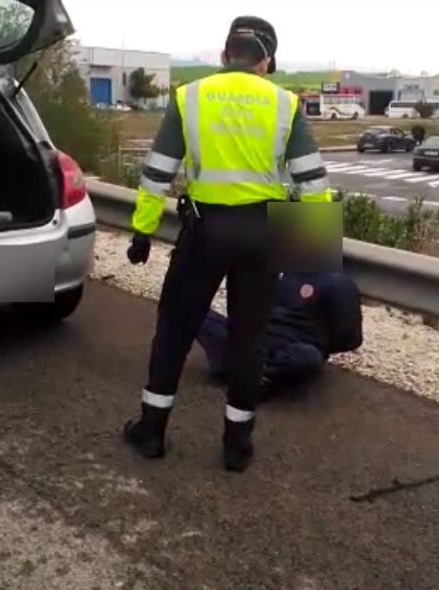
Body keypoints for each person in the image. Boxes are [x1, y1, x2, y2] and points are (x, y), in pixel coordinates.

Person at [122, 16, 334, 472]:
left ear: (223, 56)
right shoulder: (285, 104)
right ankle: (237, 446)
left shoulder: (190, 97)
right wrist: (310, 256)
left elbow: (157, 171)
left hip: (204, 233)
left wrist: (143, 229)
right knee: (250, 340)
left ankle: (152, 432)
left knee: (175, 330)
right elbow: (314, 182)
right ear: (267, 62)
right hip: (263, 236)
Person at [197, 272, 363, 395]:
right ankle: (243, 370)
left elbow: (351, 338)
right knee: (193, 311)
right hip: (254, 338)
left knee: (308, 356)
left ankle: (248, 371)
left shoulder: (339, 283)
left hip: (293, 347)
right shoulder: (279, 270)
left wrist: (322, 344)